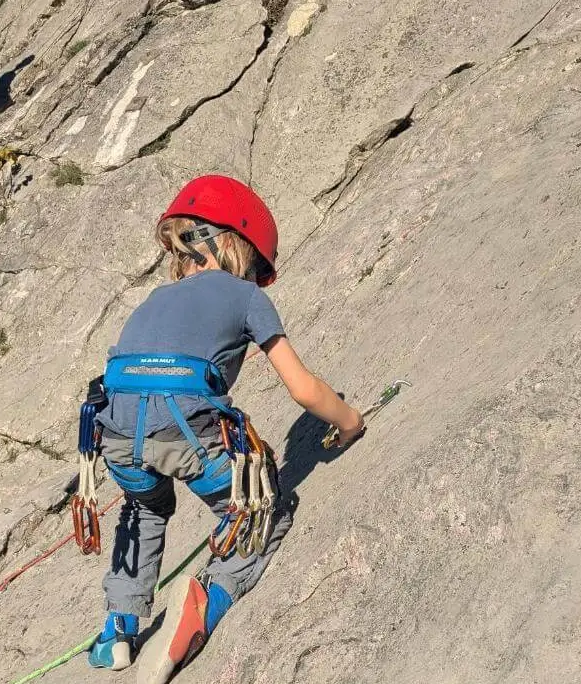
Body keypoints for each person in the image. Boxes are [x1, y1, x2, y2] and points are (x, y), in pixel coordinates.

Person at [87, 175, 365, 683]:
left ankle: (117, 630)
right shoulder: (244, 297)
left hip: (116, 438)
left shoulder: (153, 299)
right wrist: (349, 423)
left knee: (145, 507)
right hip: (186, 434)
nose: (257, 279)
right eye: (259, 268)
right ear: (240, 247)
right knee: (264, 514)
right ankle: (203, 605)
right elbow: (302, 388)